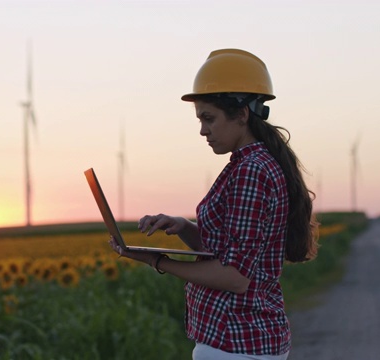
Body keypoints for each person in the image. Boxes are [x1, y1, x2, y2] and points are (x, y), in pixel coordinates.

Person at [108, 48, 318, 359]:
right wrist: (182, 227)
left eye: (209, 118)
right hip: (238, 341)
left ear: (242, 114)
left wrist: (158, 261)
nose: (203, 130)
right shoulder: (248, 165)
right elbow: (230, 250)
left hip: (238, 341)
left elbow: (234, 277)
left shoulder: (252, 171)